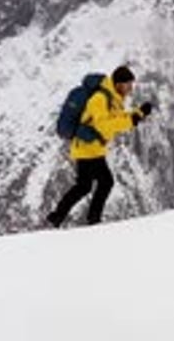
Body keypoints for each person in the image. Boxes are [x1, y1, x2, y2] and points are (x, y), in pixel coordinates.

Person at [46, 65, 152, 227]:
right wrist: (132, 120)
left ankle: (57, 217)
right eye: (128, 85)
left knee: (83, 186)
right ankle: (93, 220)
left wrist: (138, 114)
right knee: (105, 182)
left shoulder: (112, 98)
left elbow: (116, 117)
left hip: (89, 148)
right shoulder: (100, 99)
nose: (130, 89)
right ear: (118, 84)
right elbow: (103, 125)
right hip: (89, 148)